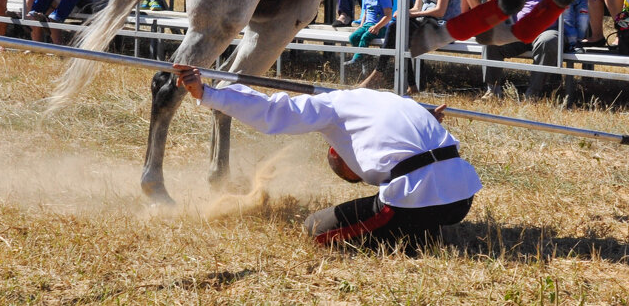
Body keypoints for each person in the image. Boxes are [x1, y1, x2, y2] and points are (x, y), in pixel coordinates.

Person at [173, 64, 481, 247]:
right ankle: (417, 231)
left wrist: (207, 94)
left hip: (417, 197)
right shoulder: (397, 102)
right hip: (463, 199)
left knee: (315, 229)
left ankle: (412, 235)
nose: (358, 176)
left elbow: (272, 110)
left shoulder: (333, 106)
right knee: (398, 213)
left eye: (350, 172)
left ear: (339, 151)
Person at [348, 0, 394, 73]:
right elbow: (366, 13)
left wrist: (377, 27)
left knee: (365, 37)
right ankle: (366, 57)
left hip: (381, 27)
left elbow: (388, 16)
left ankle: (356, 60)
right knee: (353, 37)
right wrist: (361, 26)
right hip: (366, 25)